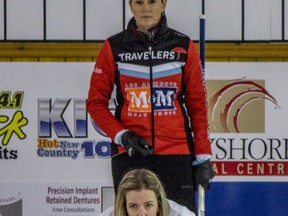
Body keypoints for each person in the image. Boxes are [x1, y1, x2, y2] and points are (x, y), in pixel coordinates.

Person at [87, 0, 215, 212]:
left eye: (152, 2)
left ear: (163, 4)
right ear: (130, 6)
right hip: (130, 153)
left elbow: (198, 106)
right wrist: (123, 135)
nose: (146, 8)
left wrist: (203, 157)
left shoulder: (183, 45)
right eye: (139, 2)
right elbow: (95, 103)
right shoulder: (114, 46)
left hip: (176, 154)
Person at [97, 168, 196, 216]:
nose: (142, 214)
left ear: (158, 204)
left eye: (148, 205)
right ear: (125, 207)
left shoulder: (181, 214)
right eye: (133, 206)